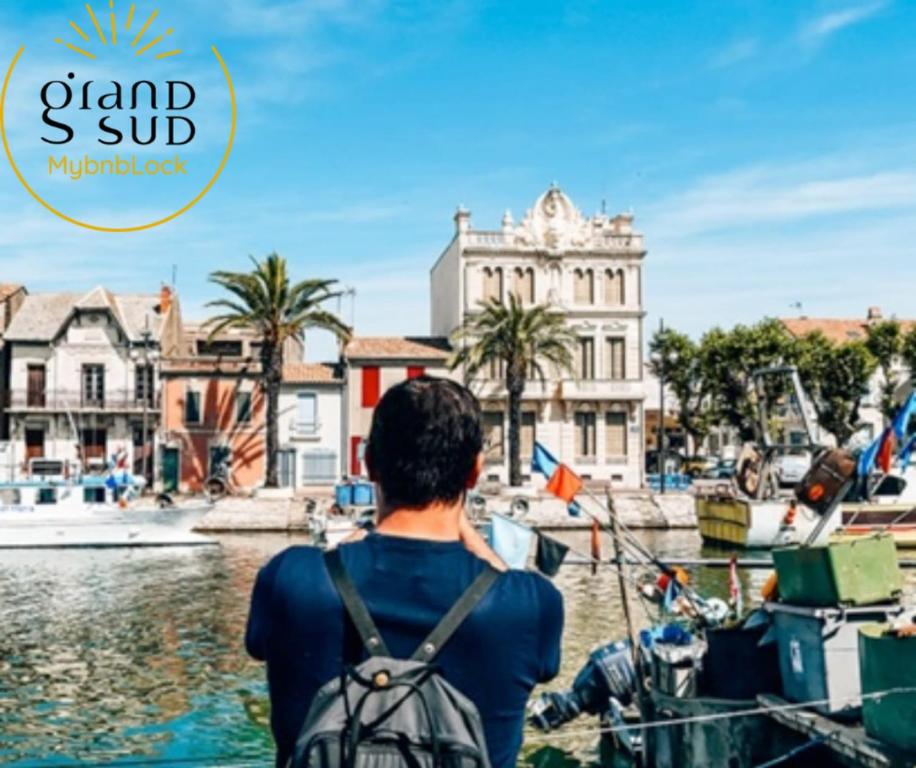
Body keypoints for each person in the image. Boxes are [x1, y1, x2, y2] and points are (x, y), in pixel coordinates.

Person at [246, 376, 564, 768]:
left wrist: (362, 534)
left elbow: (261, 642)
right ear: (475, 471)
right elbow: (503, 579)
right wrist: (465, 527)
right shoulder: (531, 605)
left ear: (369, 464)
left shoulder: (290, 580)